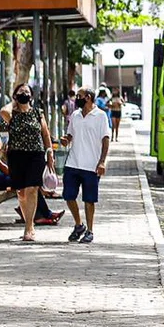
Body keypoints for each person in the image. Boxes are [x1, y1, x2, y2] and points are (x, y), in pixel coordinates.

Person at [0, 119, 60, 225]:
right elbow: (2, 167)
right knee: (30, 184)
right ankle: (44, 215)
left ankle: (35, 213)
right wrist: (19, 174)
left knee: (29, 183)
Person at [4, 83, 56, 241]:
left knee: (32, 189)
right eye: (21, 92)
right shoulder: (11, 113)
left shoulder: (38, 113)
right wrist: (14, 101)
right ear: (15, 96)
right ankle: (28, 222)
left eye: (27, 92)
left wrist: (49, 154)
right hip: (16, 155)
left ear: (32, 96)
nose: (24, 94)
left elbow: (45, 135)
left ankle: (29, 227)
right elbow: (2, 111)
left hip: (36, 155)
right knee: (21, 192)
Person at [61, 88, 111, 244]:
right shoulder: (75, 115)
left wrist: (102, 161)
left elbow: (105, 139)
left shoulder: (101, 116)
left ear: (88, 98)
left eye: (80, 96)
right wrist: (66, 139)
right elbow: (70, 134)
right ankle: (78, 225)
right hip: (73, 163)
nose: (77, 99)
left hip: (91, 165)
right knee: (68, 196)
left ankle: (90, 230)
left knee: (89, 200)